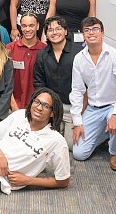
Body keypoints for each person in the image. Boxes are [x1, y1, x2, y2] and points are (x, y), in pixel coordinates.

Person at [70, 17, 116, 171]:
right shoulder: (79, 59)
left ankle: (114, 152)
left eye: (96, 29)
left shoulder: (115, 55)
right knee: (79, 153)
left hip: (113, 105)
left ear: (103, 33)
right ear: (83, 35)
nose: (92, 33)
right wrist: (77, 122)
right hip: (93, 109)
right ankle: (105, 134)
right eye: (87, 30)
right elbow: (77, 91)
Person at [33, 15, 83, 150]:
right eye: (50, 30)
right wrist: (47, 108)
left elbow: (88, 85)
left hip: (72, 108)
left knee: (71, 146)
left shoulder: (79, 53)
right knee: (46, 144)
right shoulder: (42, 54)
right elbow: (39, 83)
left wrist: (80, 113)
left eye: (58, 28)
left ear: (66, 31)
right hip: (52, 108)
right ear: (46, 35)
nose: (54, 32)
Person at [7, 13, 46, 111]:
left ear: (37, 26)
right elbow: (4, 81)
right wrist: (14, 107)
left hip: (38, 108)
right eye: (24, 26)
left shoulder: (45, 50)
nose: (27, 29)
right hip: (13, 107)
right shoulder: (9, 49)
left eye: (31, 25)